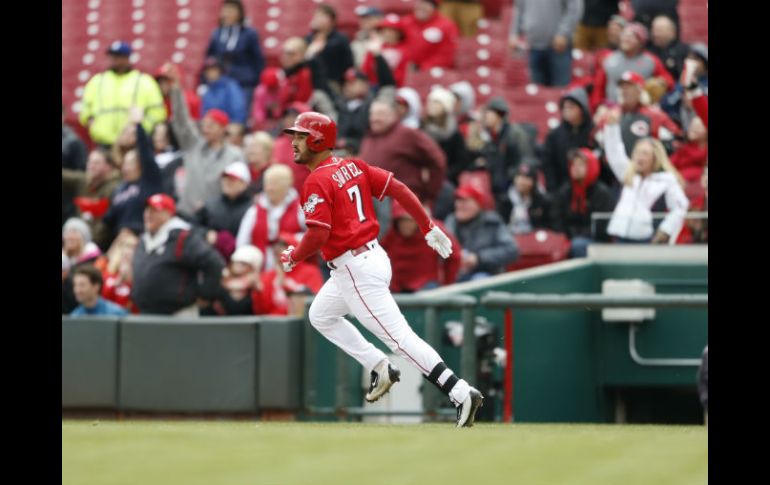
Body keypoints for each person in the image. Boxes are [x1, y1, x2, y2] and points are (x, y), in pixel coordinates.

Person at [279, 112, 484, 427]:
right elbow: (399, 188)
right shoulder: (353, 165)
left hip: (354, 268)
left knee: (400, 339)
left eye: (301, 136)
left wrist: (294, 255)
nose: (294, 142)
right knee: (320, 315)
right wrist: (427, 225)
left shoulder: (317, 180)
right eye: (294, 135)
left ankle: (459, 391)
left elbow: (319, 234)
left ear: (318, 140)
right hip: (368, 258)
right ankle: (379, 365)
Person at [601, 108, 689, 243]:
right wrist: (611, 127)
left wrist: (665, 230)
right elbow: (614, 153)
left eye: (645, 154)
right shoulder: (629, 174)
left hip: (646, 239)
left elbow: (681, 206)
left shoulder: (666, 180)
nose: (640, 157)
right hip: (619, 236)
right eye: (637, 153)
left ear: (655, 157)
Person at [132, 194, 226, 315]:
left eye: (155, 210)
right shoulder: (144, 239)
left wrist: (206, 294)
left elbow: (214, 263)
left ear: (168, 213)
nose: (149, 214)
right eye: (147, 210)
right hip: (146, 312)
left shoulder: (183, 237)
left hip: (177, 314)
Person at [79, 40, 166, 147]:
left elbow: (157, 112)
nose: (113, 59)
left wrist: (140, 129)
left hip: (135, 143)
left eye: (118, 56)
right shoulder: (96, 81)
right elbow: (85, 110)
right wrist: (93, 125)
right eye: (112, 56)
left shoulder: (144, 81)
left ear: (127, 58)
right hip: (103, 142)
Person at [550, 148, 616, 256]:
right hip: (569, 238)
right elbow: (556, 219)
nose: (575, 168)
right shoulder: (565, 191)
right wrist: (564, 236)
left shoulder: (602, 193)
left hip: (595, 241)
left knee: (577, 245)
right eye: (573, 164)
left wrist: (574, 237)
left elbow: (601, 226)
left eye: (581, 165)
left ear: (591, 167)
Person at [205, 0, 265, 114]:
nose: (228, 13)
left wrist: (256, 81)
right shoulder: (217, 34)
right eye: (225, 9)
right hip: (220, 82)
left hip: (244, 83)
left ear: (240, 13)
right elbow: (209, 58)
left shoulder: (249, 34)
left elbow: (258, 60)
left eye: (232, 9)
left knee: (239, 114)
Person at [508, 0, 584, 87]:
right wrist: (514, 33)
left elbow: (574, 8)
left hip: (558, 48)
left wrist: (563, 33)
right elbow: (519, 9)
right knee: (537, 90)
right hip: (533, 47)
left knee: (560, 91)